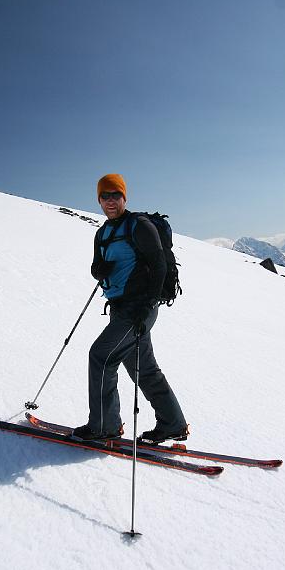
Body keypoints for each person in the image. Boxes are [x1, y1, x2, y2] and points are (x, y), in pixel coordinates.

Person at [71, 173, 189, 443]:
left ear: (125, 197)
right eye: (105, 196)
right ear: (99, 200)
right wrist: (98, 270)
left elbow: (159, 265)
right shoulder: (103, 233)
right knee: (143, 369)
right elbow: (95, 266)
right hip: (120, 308)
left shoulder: (139, 226)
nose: (110, 201)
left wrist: (145, 307)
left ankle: (104, 427)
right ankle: (172, 423)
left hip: (139, 310)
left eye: (116, 195)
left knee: (101, 357)